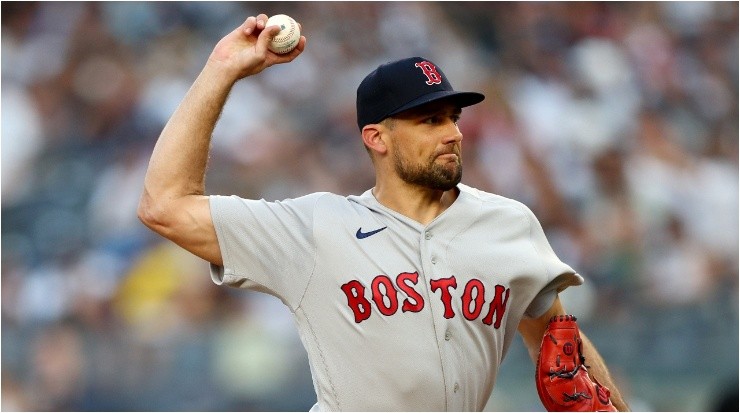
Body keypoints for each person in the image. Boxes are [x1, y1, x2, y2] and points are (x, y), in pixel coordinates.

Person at [138, 14, 629, 411]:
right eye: (430, 120)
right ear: (377, 138)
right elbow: (165, 205)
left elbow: (561, 346)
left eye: (454, 118)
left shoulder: (509, 224)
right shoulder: (317, 229)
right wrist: (222, 70)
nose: (453, 133)